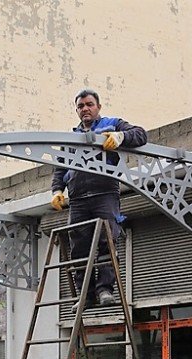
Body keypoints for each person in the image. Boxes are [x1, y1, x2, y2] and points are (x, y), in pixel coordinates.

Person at [50, 89, 147, 306]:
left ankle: (105, 290)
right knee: (79, 249)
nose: (85, 108)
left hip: (104, 193)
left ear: (98, 107)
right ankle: (85, 295)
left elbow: (141, 134)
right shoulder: (71, 137)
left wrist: (121, 137)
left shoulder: (112, 124)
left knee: (107, 242)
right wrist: (57, 190)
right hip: (78, 199)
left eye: (89, 104)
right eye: (81, 106)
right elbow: (60, 167)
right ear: (76, 110)